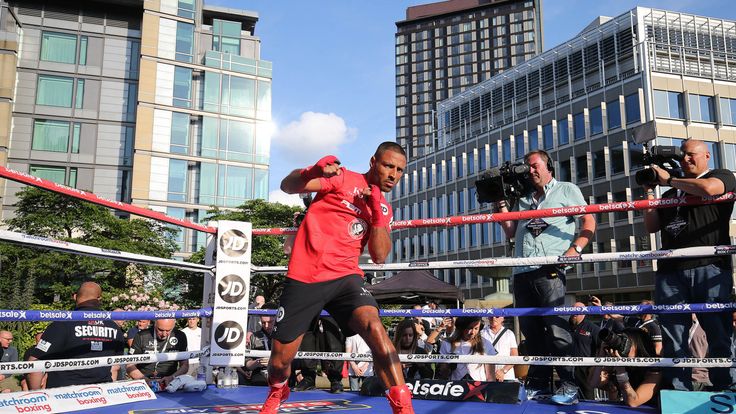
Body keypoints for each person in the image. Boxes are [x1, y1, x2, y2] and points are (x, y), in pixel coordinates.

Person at [261, 142, 413, 414]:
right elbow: (288, 186)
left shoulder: (384, 208)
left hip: (347, 278)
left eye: (400, 170)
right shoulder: (342, 178)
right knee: (280, 360)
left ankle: (403, 408)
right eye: (388, 165)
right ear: (373, 161)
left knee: (377, 331)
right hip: (307, 276)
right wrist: (312, 171)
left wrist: (377, 213)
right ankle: (277, 390)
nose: (393, 174)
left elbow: (379, 256)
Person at [497, 149, 595, 405]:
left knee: (556, 329)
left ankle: (569, 385)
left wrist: (576, 249)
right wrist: (500, 203)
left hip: (550, 267)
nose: (530, 171)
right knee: (531, 332)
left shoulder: (566, 190)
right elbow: (510, 231)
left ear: (548, 166)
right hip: (521, 268)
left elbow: (589, 221)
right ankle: (539, 383)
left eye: (534, 165)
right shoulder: (524, 198)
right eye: (526, 167)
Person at [642, 138, 736, 391]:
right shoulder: (672, 194)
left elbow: (708, 189)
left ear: (707, 155)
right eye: (683, 155)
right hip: (670, 269)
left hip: (710, 266)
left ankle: (724, 388)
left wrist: (669, 179)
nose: (686, 159)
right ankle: (678, 391)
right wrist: (650, 190)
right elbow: (651, 226)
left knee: (717, 332)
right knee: (673, 335)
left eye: (691, 154)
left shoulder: (722, 175)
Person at [28, 282, 125, 389]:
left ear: (75, 296)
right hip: (100, 393)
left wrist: (35, 395)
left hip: (64, 396)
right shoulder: (114, 327)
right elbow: (115, 367)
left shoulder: (61, 324)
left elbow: (34, 365)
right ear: (99, 299)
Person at [589, 328, 661, 407]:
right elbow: (593, 383)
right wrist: (601, 355)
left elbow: (633, 402)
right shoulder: (620, 363)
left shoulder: (654, 370)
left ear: (639, 346)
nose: (621, 348)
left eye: (625, 343)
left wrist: (620, 369)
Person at [127, 318, 189, 389]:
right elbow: (130, 365)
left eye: (168, 330)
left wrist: (172, 377)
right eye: (160, 330)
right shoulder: (141, 336)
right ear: (155, 324)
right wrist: (144, 380)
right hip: (143, 384)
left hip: (170, 384)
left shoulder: (180, 336)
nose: (164, 334)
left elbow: (185, 365)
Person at [437, 316, 496, 381]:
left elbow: (490, 375)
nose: (472, 332)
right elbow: (443, 374)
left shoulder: (485, 344)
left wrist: (490, 389)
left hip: (479, 387)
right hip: (455, 387)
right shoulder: (447, 343)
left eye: (476, 328)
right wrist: (446, 366)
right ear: (461, 327)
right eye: (469, 328)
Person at [568, 302, 600, 400]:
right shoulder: (564, 326)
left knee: (587, 399)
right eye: (572, 310)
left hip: (585, 370)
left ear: (584, 313)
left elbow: (601, 347)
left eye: (577, 311)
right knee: (567, 399)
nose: (574, 313)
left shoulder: (592, 328)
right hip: (567, 368)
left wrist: (595, 367)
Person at [240, 308, 275, 386]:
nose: (266, 326)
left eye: (270, 322)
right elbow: (246, 364)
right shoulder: (254, 337)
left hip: (281, 373)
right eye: (263, 323)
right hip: (260, 375)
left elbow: (295, 360)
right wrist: (257, 363)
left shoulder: (285, 335)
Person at [480, 316, 518, 382]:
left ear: (502, 318)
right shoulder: (481, 333)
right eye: (491, 316)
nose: (494, 318)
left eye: (497, 316)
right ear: (488, 318)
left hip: (506, 376)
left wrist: (503, 371)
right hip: (486, 376)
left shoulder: (509, 334)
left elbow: (514, 356)